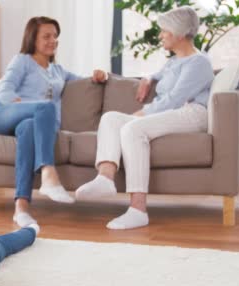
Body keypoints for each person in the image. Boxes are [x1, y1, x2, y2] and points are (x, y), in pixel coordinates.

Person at [75, 6, 214, 230]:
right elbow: (159, 76)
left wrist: (141, 114)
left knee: (133, 129)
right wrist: (148, 78)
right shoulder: (175, 60)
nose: (160, 36)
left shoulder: (199, 63)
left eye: (164, 31)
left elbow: (175, 99)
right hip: (174, 112)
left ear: (179, 34)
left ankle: (138, 210)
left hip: (192, 113)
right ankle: (105, 177)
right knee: (110, 118)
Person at [0, 16, 107, 227]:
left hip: (29, 123)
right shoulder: (22, 61)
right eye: (47, 36)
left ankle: (21, 208)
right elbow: (5, 90)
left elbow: (83, 80)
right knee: (45, 106)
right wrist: (23, 104)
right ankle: (49, 174)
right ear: (33, 38)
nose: (53, 40)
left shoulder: (58, 71)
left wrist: (98, 75)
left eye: (55, 36)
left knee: (29, 128)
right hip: (4, 114)